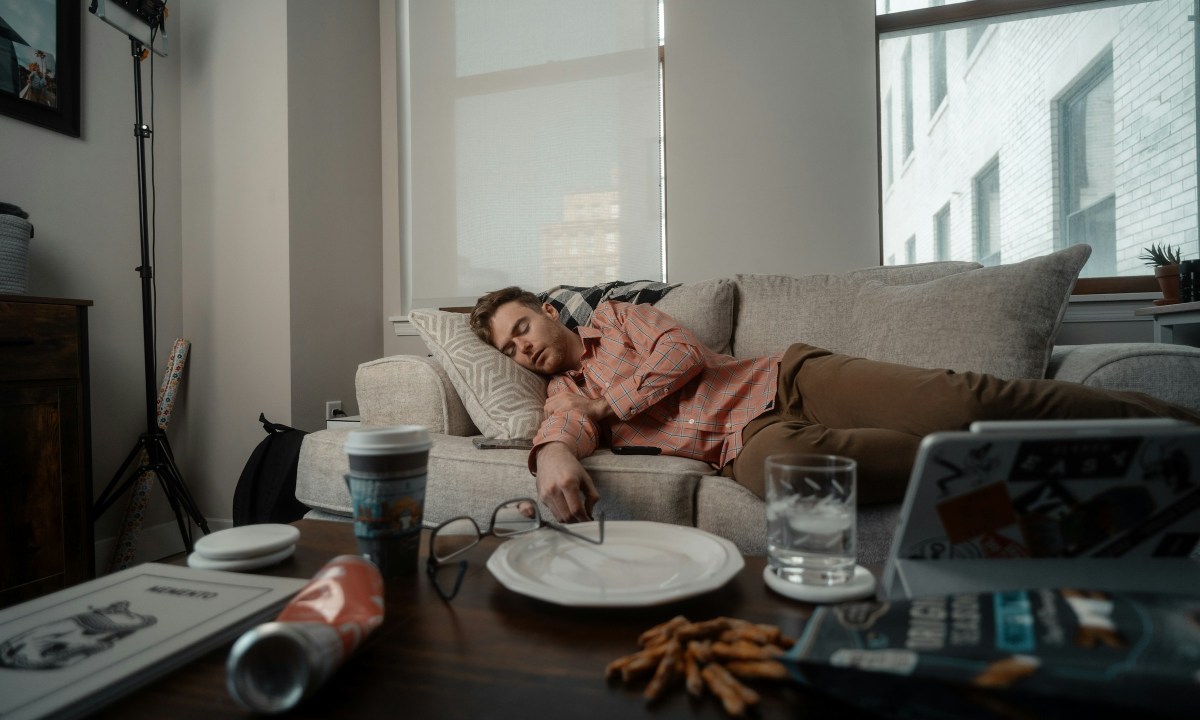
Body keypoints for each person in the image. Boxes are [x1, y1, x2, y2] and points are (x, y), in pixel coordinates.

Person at [469, 286, 1200, 523]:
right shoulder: (564, 398)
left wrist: (609, 408)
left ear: (547, 312)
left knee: (960, 401)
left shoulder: (620, 318)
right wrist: (558, 452)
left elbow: (683, 357)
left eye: (522, 328)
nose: (522, 349)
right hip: (742, 443)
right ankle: (1056, 474)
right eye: (508, 349)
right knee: (792, 479)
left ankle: (1179, 432)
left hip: (787, 380)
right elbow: (560, 431)